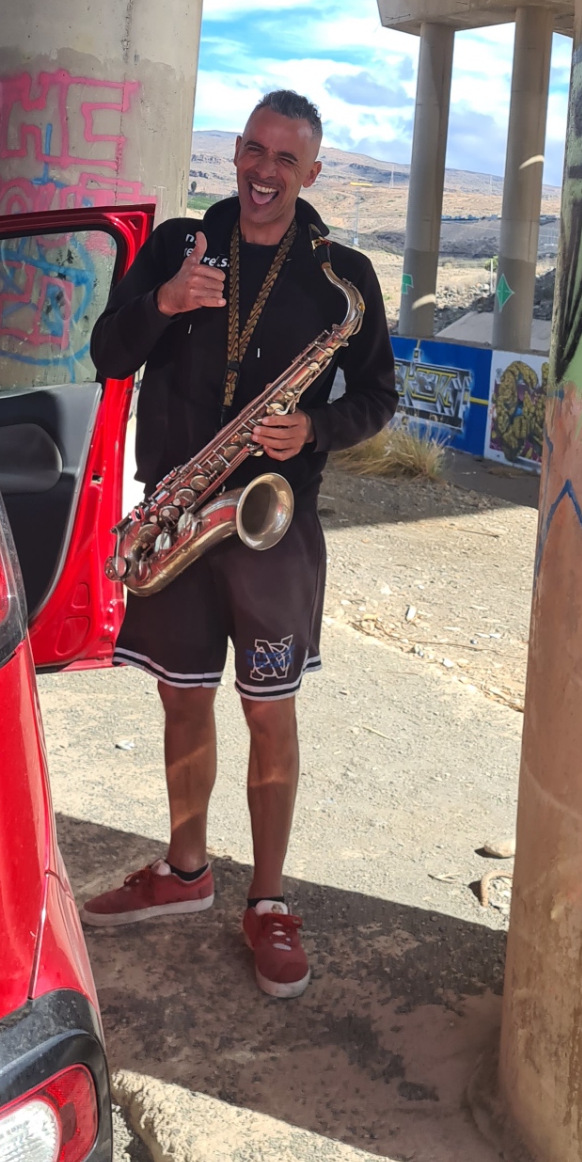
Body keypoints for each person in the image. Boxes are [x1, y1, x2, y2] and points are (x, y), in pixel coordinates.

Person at [83, 90, 397, 998]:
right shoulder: (181, 244)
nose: (262, 173)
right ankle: (186, 872)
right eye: (252, 150)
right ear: (237, 150)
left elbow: (378, 396)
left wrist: (319, 431)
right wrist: (168, 302)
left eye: (285, 160)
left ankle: (267, 900)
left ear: (313, 172)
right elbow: (108, 352)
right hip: (180, 515)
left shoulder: (343, 278)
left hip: (271, 521)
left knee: (270, 711)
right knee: (184, 703)